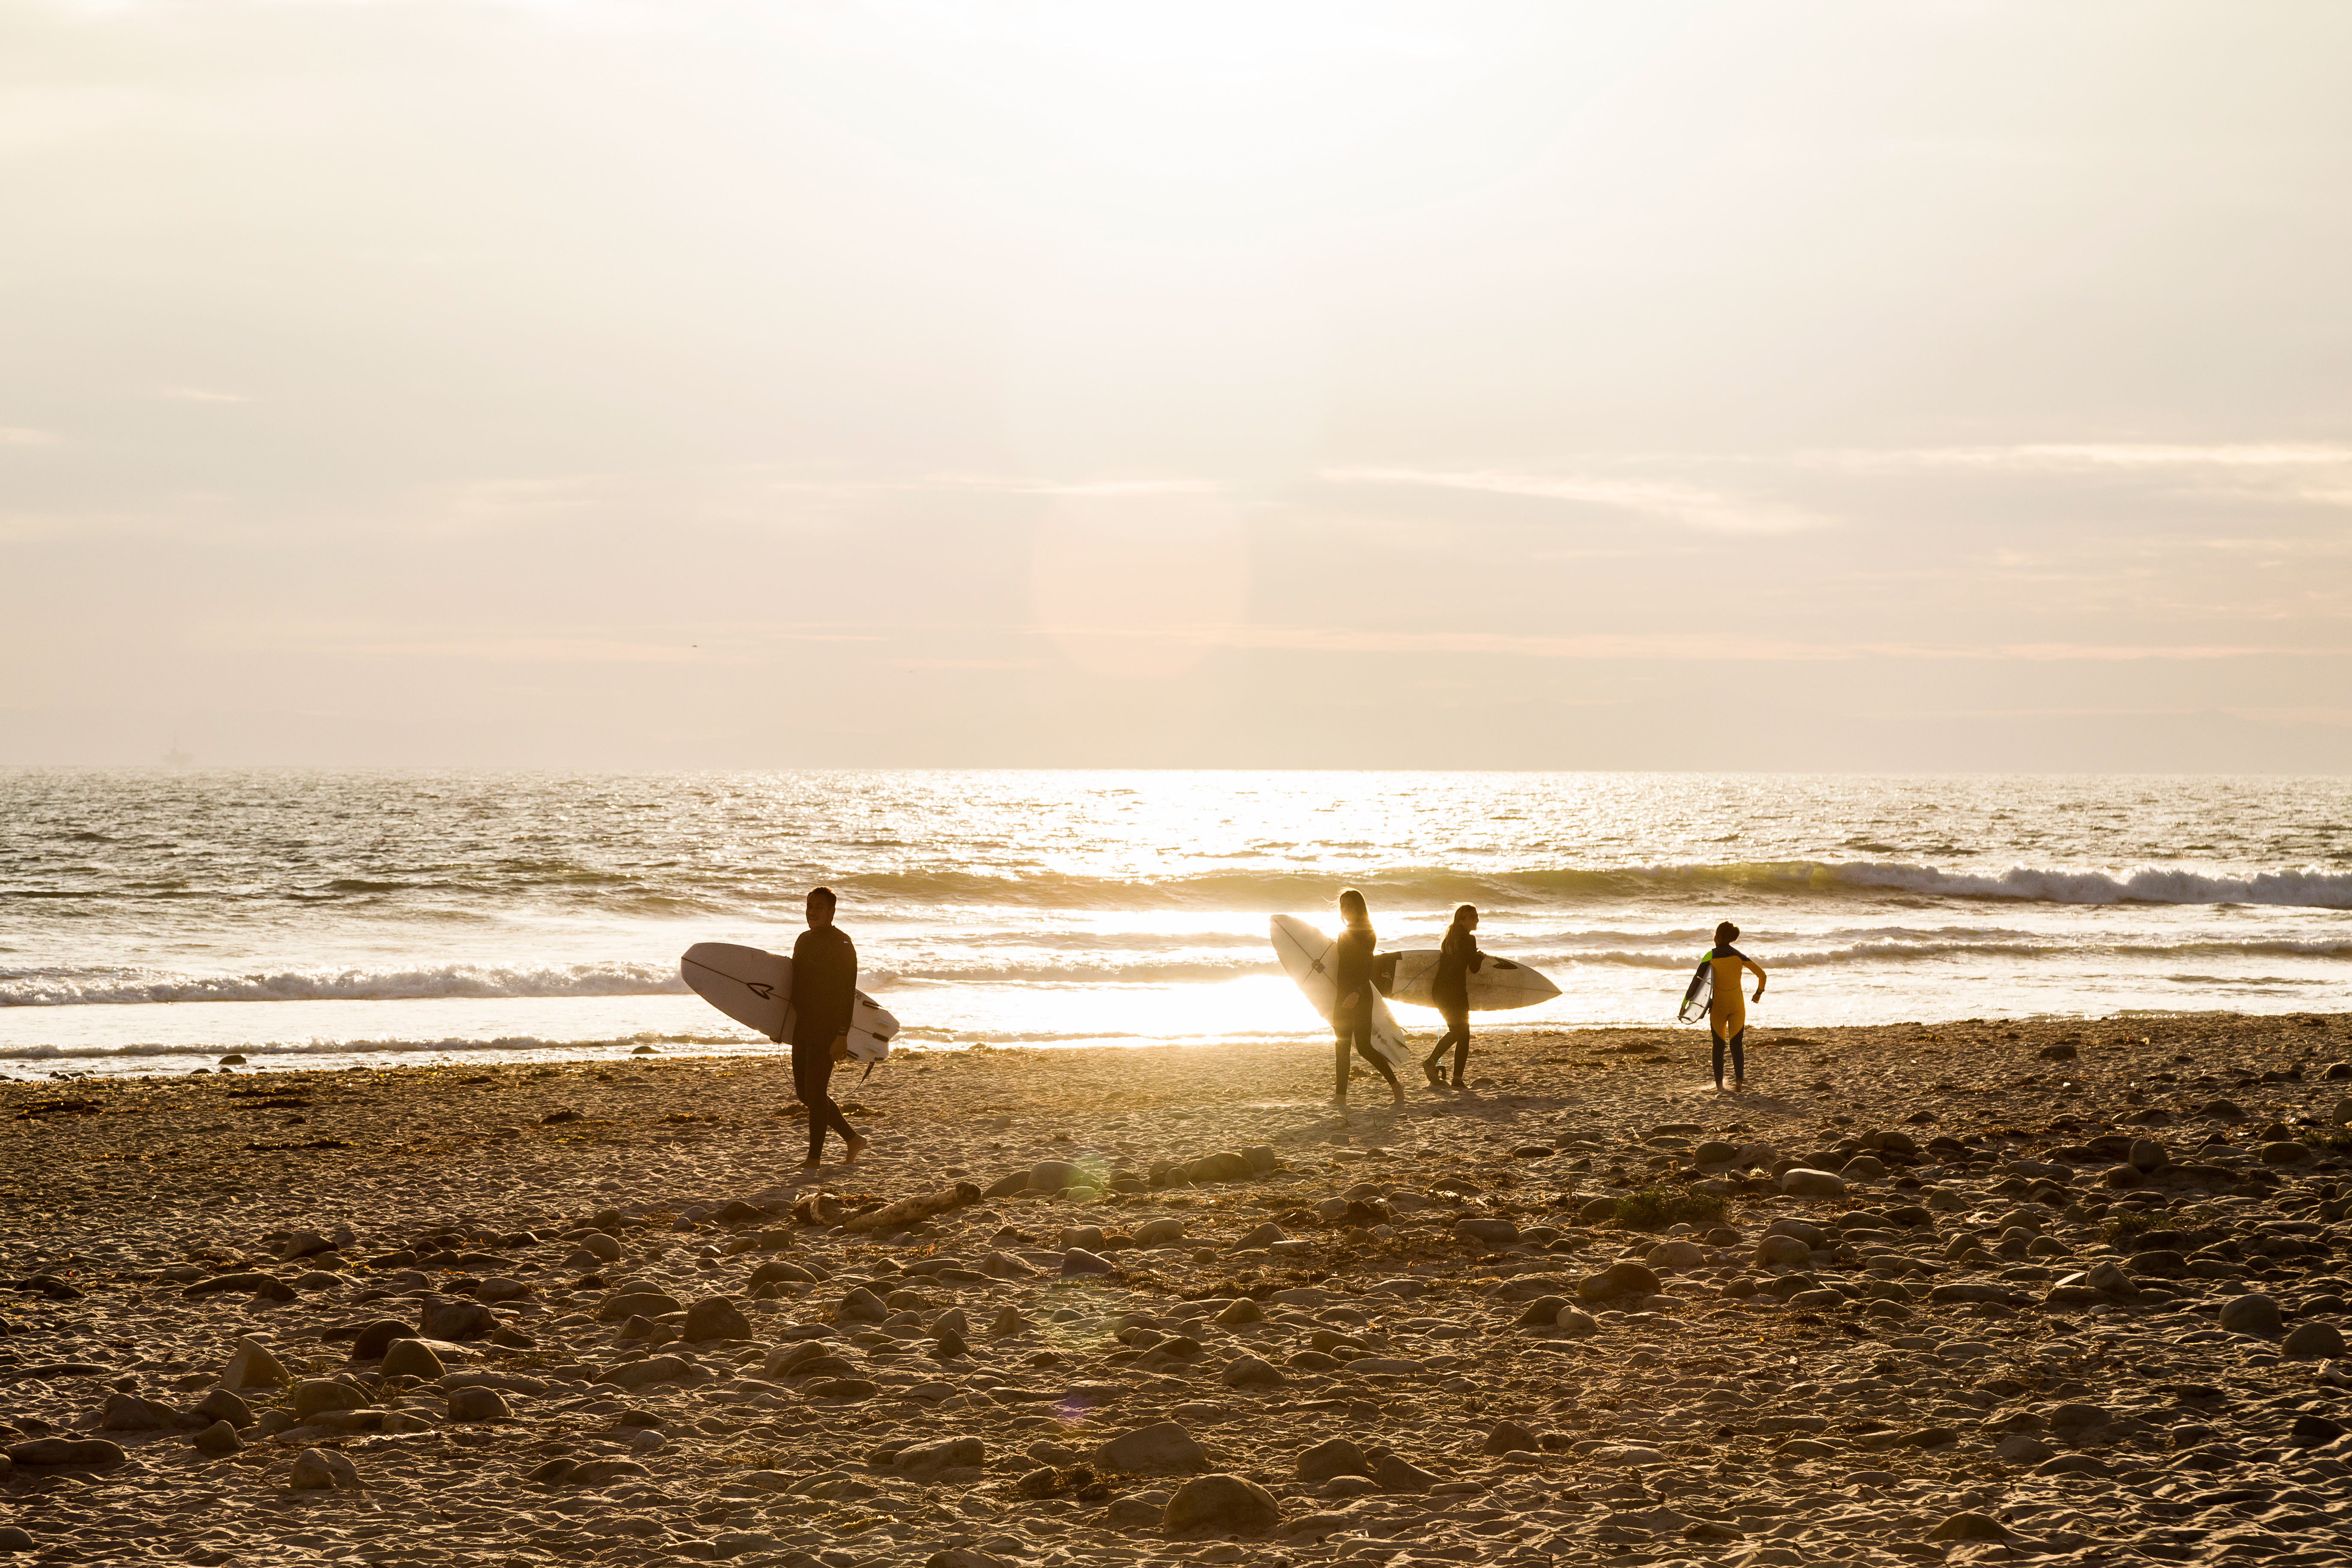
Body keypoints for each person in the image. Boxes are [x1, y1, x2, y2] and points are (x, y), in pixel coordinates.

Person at [791, 886, 868, 1166]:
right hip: (802, 1028)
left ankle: (814, 1158)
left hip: (827, 1030)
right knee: (805, 1093)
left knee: (815, 1090)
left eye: (819, 907)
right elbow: (793, 987)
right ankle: (853, 1139)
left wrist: (842, 1035)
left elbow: (847, 993)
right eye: (810, 906)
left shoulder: (842, 944)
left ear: (832, 912)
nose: (812, 912)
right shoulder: (802, 940)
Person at [1331, 888, 1405, 1108]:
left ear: (1360, 907)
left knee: (1364, 1047)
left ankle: (1395, 1085)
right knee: (1341, 1045)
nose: (1346, 909)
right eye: (1343, 905)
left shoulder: (1368, 933)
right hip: (1342, 995)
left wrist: (1357, 993)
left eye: (1350, 905)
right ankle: (1340, 1097)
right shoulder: (1343, 934)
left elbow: (1367, 969)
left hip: (1360, 995)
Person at [1422, 903, 1485, 1089]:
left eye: (1477, 915)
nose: (1477, 919)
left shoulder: (1449, 939)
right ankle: (1432, 1062)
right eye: (1473, 917)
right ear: (1462, 920)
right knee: (1461, 1033)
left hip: (1441, 992)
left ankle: (1457, 1079)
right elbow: (1473, 968)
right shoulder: (1468, 939)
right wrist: (1480, 958)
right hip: (1455, 993)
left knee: (1462, 1034)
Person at [1703, 920, 1768, 1092]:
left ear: (1717, 937)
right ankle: (1739, 1082)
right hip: (1738, 1005)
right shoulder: (1739, 956)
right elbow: (1762, 975)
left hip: (1718, 1007)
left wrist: (1691, 1005)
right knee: (1736, 1046)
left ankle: (1719, 1086)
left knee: (1718, 1046)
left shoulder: (1710, 956)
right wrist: (1758, 993)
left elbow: (1698, 983)